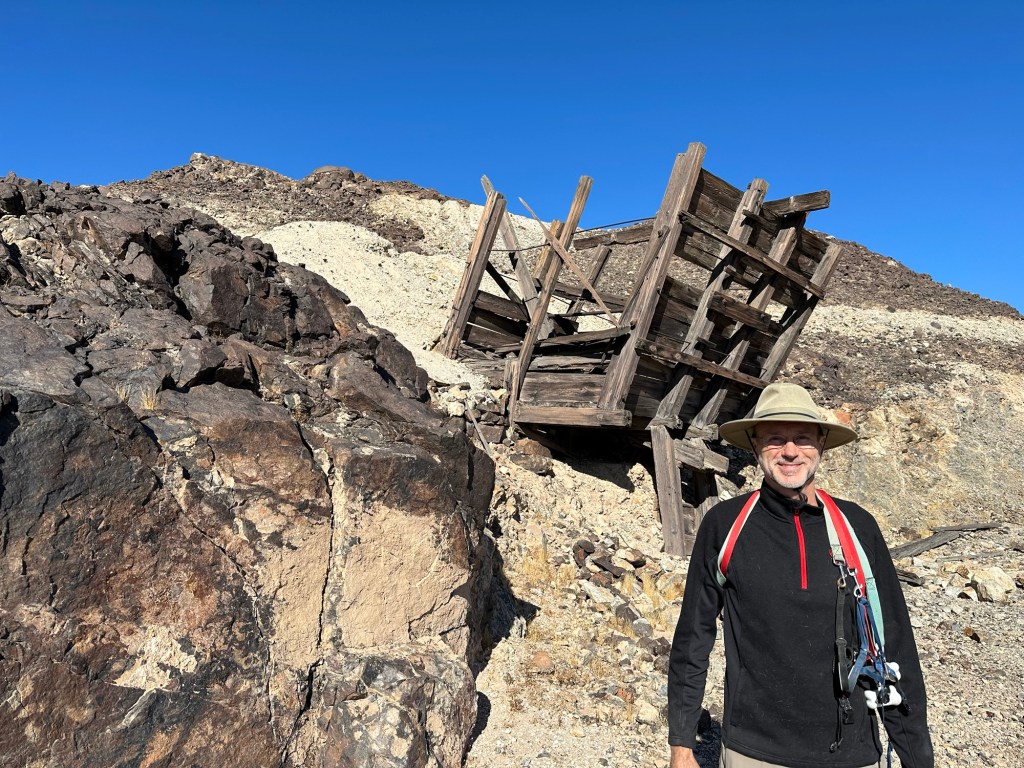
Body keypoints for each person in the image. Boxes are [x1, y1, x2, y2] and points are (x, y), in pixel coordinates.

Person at [667, 383, 934, 768]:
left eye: (803, 439)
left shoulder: (856, 527)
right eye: (775, 439)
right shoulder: (725, 526)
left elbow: (894, 647)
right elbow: (693, 639)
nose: (790, 451)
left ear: (821, 444)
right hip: (753, 753)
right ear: (755, 445)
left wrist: (917, 757)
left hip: (851, 753)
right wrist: (681, 745)